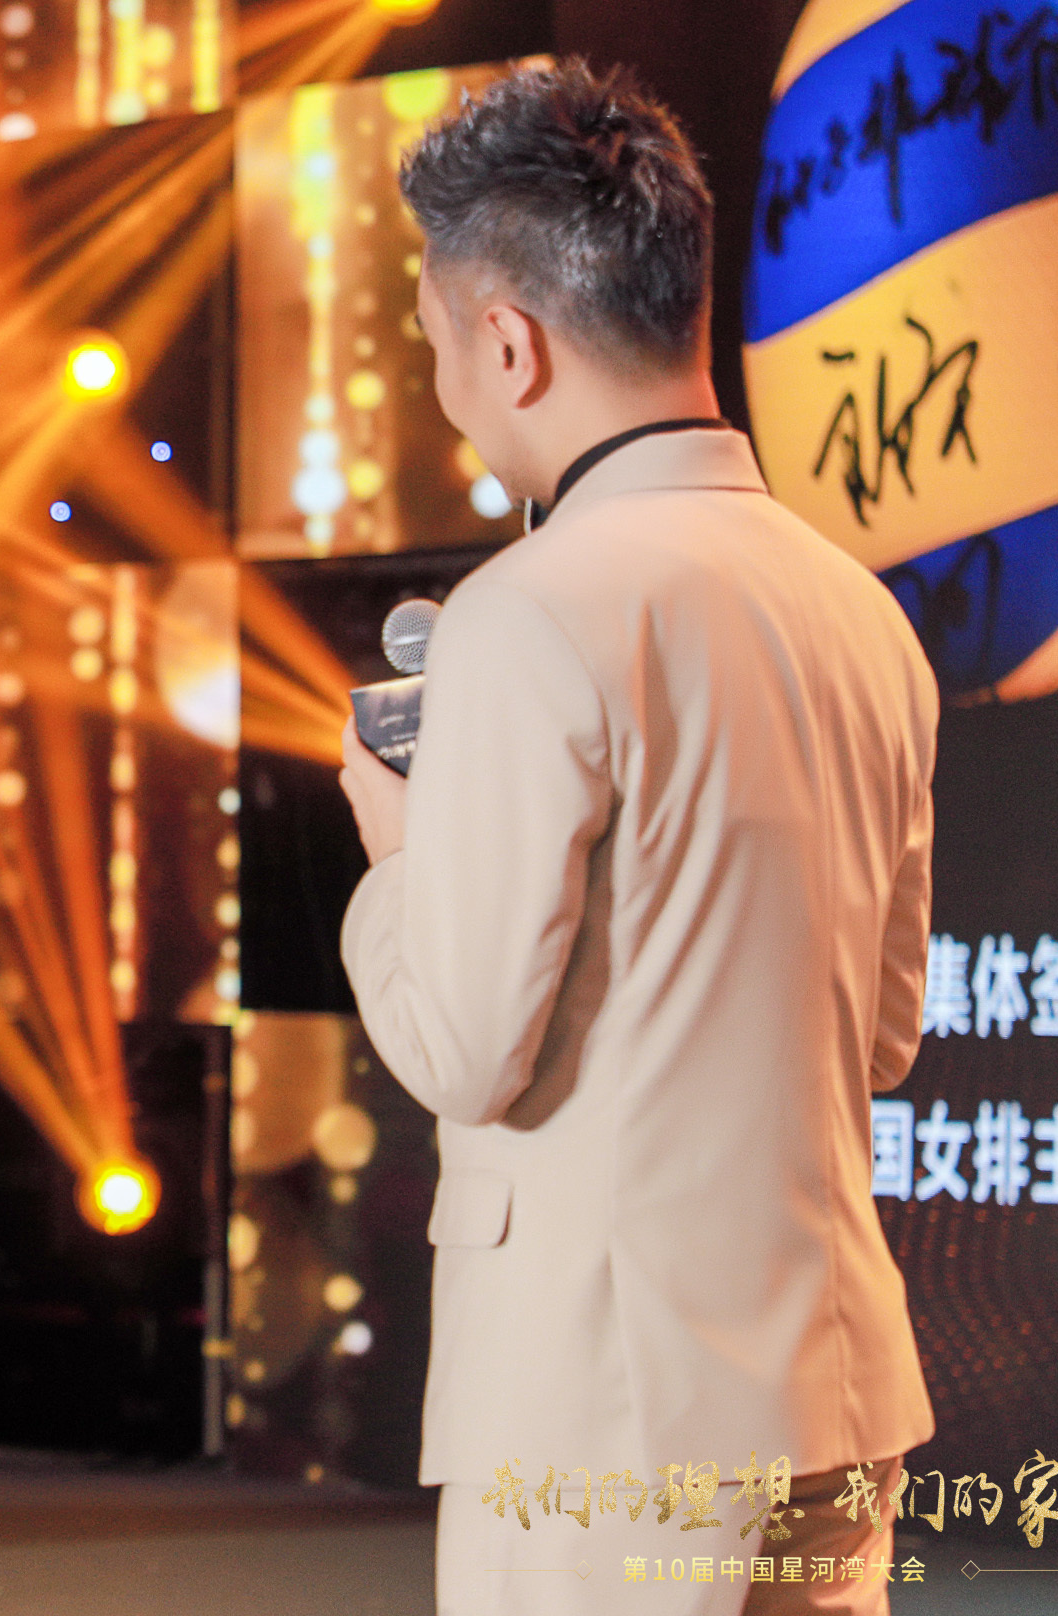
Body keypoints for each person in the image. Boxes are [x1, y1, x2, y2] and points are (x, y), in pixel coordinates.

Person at [336, 64, 936, 1616]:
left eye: (435, 344)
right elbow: (884, 1035)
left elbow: (462, 1049)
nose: (447, 384)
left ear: (507, 343)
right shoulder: (861, 612)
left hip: (603, 1409)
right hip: (833, 1388)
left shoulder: (527, 611)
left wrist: (394, 857)